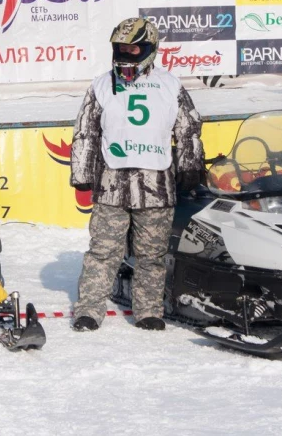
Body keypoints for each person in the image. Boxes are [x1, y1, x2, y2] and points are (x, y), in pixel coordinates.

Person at [69, 17, 204, 331]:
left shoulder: (170, 85)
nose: (126, 54)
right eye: (121, 48)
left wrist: (190, 166)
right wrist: (82, 171)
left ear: (149, 48)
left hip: (156, 184)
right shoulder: (101, 84)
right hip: (111, 183)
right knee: (102, 251)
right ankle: (88, 310)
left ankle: (148, 311)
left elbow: (188, 130)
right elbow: (85, 132)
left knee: (152, 254)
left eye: (133, 48)